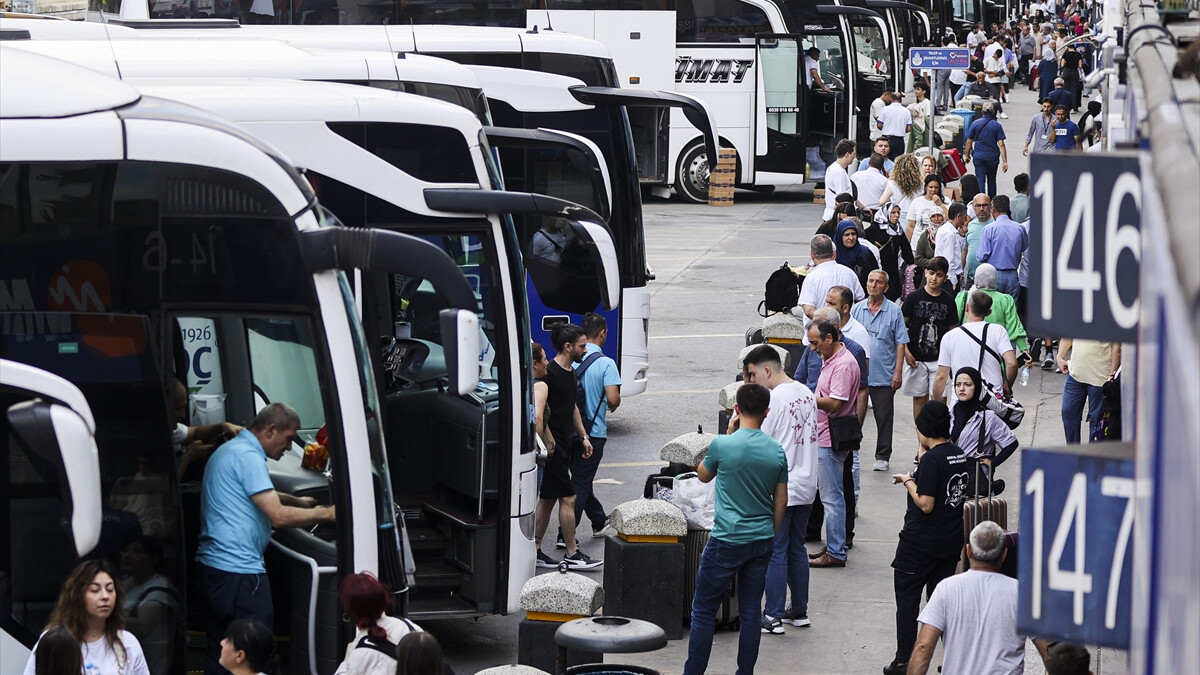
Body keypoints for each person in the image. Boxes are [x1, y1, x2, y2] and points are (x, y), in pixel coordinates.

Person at [196, 403, 336, 674]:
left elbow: (255, 493)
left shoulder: (231, 450)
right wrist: (329, 514)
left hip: (213, 570)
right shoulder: (248, 456)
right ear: (271, 430)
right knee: (255, 656)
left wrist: (297, 501)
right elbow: (278, 517)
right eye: (288, 438)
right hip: (240, 573)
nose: (288, 446)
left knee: (222, 652)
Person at [683, 383, 787, 675]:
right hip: (761, 538)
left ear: (737, 410)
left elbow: (703, 475)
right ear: (767, 412)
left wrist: (728, 434)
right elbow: (782, 500)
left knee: (703, 609)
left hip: (726, 539)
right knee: (752, 610)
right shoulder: (776, 451)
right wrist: (771, 532)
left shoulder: (723, 444)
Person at [882, 401, 968, 675]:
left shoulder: (933, 459)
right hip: (949, 541)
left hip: (920, 544)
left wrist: (908, 481)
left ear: (924, 429)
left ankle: (904, 661)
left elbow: (926, 503)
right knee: (941, 602)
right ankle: (955, 660)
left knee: (907, 601)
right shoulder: (957, 453)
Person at [907, 522, 1052, 675]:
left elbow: (923, 647)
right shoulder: (1021, 594)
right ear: (1004, 554)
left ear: (968, 551)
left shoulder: (946, 588)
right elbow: (1049, 651)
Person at [742, 347, 819, 635]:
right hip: (808, 481)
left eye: (752, 375)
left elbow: (759, 440)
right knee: (797, 548)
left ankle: (772, 615)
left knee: (776, 550)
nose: (751, 382)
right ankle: (799, 610)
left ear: (767, 370)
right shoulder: (806, 392)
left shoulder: (773, 400)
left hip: (782, 486)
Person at [533, 323, 602, 570]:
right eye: (582, 346)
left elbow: (571, 406)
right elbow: (541, 414)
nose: (586, 349)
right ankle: (572, 552)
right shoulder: (549, 374)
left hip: (565, 442)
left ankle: (536, 549)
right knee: (570, 497)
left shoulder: (571, 371)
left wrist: (583, 436)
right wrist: (549, 443)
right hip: (554, 447)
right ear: (568, 346)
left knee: (548, 498)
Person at [22, 559, 151, 675]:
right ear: (78, 596)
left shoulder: (127, 643)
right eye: (95, 590)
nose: (105, 596)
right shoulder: (55, 640)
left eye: (110, 589)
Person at [806, 318, 861, 568]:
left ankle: (837, 551)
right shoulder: (831, 360)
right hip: (825, 435)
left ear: (830, 338)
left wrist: (807, 398)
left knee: (831, 497)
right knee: (831, 495)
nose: (812, 348)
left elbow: (836, 403)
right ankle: (834, 545)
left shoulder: (844, 365)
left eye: (815, 343)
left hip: (830, 438)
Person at [566, 312, 621, 542]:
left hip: (567, 432)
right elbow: (613, 399)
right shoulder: (606, 364)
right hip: (593, 432)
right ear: (603, 333)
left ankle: (598, 519)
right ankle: (565, 533)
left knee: (581, 477)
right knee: (580, 482)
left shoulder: (571, 359)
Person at [852, 270, 909, 472]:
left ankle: (883, 455)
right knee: (854, 414)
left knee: (884, 416)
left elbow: (900, 343)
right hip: (859, 374)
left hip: (883, 374)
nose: (873, 285)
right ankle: (851, 448)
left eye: (878, 282)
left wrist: (898, 371)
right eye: (870, 281)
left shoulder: (894, 311)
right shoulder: (856, 310)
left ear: (886, 287)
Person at [933, 291, 1018, 403]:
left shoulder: (950, 336)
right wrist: (1007, 385)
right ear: (988, 312)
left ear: (967, 307)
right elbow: (1012, 364)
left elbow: (941, 376)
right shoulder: (998, 331)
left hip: (961, 399)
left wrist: (934, 403)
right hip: (992, 398)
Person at [902, 257, 959, 423]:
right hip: (916, 359)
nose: (934, 278)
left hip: (940, 360)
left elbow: (953, 331)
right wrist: (906, 351)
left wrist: (951, 359)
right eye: (931, 273)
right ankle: (922, 441)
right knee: (920, 400)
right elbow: (900, 328)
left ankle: (936, 438)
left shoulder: (948, 301)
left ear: (945, 278)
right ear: (925, 273)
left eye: (939, 275)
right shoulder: (913, 297)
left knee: (939, 401)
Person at [333, 572, 422, 675]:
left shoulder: (359, 653)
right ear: (383, 600)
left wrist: (346, 660)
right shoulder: (410, 627)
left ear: (349, 612)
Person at [949, 367, 1020, 495]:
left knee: (974, 514)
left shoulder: (988, 418)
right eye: (958, 385)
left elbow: (1011, 443)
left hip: (976, 483)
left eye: (968, 384)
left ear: (977, 387)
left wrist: (993, 462)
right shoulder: (949, 413)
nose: (961, 388)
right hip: (950, 478)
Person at [120, 535, 179, 675]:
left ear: (154, 559)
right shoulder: (125, 581)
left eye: (137, 552)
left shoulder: (161, 589)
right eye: (126, 551)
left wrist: (100, 618)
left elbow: (142, 626)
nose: (128, 556)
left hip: (150, 665)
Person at [171, 378, 242, 481]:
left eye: (184, 408)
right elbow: (166, 486)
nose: (183, 415)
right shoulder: (148, 440)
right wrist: (188, 457)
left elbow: (195, 432)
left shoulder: (173, 430)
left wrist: (222, 427)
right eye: (177, 409)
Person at [1057, 339, 1121, 443]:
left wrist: (1111, 374)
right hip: (1074, 374)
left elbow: (1116, 346)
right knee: (1068, 414)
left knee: (1096, 422)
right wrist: (1059, 357)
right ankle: (1074, 454)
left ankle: (1093, 455)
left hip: (1100, 378)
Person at [956, 263, 1029, 353]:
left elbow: (953, 321)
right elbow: (1014, 327)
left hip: (968, 347)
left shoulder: (965, 296)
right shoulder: (1005, 300)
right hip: (996, 350)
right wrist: (1024, 349)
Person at [796, 233, 864, 325]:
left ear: (812, 255)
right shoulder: (849, 273)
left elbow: (808, 310)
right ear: (833, 253)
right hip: (847, 327)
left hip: (820, 333)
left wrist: (826, 324)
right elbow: (860, 300)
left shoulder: (812, 277)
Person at [975, 195, 1028, 299]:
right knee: (1011, 308)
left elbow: (981, 256)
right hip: (1012, 275)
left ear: (993, 209)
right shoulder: (1019, 228)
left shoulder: (989, 229)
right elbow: (1024, 247)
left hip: (993, 275)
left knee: (993, 307)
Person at [863, 203, 913, 302]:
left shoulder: (898, 230)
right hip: (878, 267)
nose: (897, 215)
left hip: (893, 270)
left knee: (892, 296)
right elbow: (864, 238)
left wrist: (912, 264)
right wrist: (873, 243)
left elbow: (906, 249)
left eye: (898, 212)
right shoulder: (876, 228)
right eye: (893, 213)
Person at [964, 102, 1008, 198]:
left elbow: (969, 141)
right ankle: (992, 201)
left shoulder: (975, 124)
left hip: (979, 156)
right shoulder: (997, 126)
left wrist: (967, 155)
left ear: (982, 111)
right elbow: (1001, 144)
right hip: (992, 157)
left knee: (980, 179)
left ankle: (982, 201)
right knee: (992, 180)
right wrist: (1005, 161)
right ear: (993, 112)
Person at [822, 139, 862, 222]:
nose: (854, 157)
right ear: (847, 154)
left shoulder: (834, 167)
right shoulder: (839, 173)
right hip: (836, 219)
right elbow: (842, 200)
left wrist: (863, 207)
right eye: (853, 154)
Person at [833, 220, 879, 292]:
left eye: (853, 234)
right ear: (840, 236)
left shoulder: (865, 252)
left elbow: (876, 275)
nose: (851, 238)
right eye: (847, 235)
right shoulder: (833, 256)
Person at [935, 202, 971, 292]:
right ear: (958, 217)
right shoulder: (949, 234)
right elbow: (949, 259)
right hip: (949, 278)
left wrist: (962, 236)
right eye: (965, 217)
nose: (965, 220)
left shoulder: (945, 229)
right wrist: (953, 281)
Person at [906, 174, 949, 246]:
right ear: (926, 187)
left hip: (939, 243)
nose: (933, 190)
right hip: (918, 244)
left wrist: (940, 204)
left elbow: (950, 219)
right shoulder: (916, 202)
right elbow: (910, 225)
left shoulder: (946, 201)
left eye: (936, 187)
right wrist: (906, 245)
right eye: (930, 187)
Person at [964, 193, 995, 284]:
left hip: (990, 280)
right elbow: (965, 249)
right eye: (978, 206)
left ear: (990, 206)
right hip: (971, 278)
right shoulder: (971, 225)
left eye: (984, 205)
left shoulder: (996, 224)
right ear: (973, 208)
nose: (981, 209)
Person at [876, 92, 912, 159]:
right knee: (896, 162)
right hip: (899, 140)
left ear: (891, 99)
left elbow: (879, 125)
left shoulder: (885, 109)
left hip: (886, 139)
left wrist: (886, 128)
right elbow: (909, 128)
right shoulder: (906, 111)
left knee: (883, 159)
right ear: (901, 100)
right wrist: (901, 130)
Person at [982, 47, 1010, 117]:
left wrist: (994, 74)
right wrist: (991, 72)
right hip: (990, 81)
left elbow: (1000, 73)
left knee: (996, 97)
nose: (996, 58)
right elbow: (984, 69)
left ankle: (994, 112)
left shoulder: (1000, 62)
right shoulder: (988, 60)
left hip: (997, 80)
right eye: (996, 56)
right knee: (996, 97)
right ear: (994, 54)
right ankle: (1001, 112)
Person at [907, 81, 933, 153]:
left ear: (924, 91)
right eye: (915, 89)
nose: (915, 91)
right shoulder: (918, 103)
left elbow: (928, 118)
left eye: (918, 89)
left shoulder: (927, 103)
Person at [1060, 41, 1085, 110]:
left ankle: (1066, 106)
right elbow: (1080, 66)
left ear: (1068, 47)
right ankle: (1073, 107)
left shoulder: (1065, 54)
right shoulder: (1078, 55)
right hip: (1074, 72)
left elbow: (1062, 65)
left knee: (1066, 89)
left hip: (1066, 72)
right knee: (1074, 90)